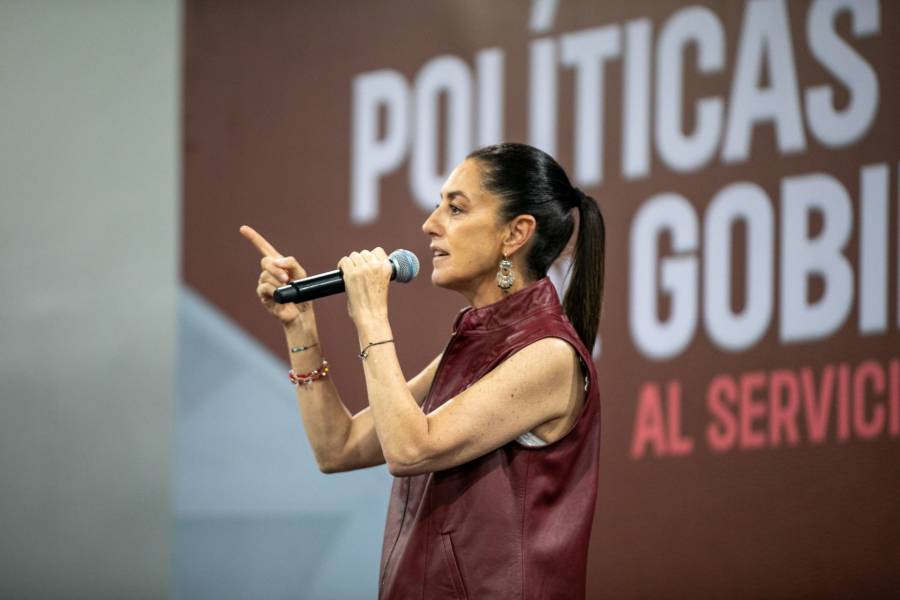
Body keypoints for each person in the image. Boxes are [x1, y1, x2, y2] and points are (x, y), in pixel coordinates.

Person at [240, 142, 605, 599]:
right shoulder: (472, 343)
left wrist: (371, 316)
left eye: (456, 208)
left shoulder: (548, 354)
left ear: (515, 234)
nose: (430, 225)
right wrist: (301, 328)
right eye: (438, 206)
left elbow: (410, 449)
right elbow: (338, 448)